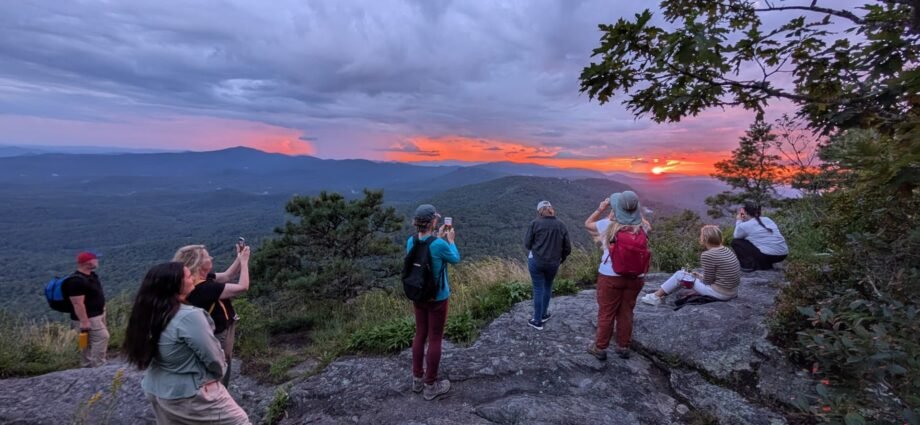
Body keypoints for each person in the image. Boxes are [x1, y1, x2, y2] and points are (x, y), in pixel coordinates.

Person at [124, 262, 250, 425]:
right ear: (177, 285)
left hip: (157, 390)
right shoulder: (189, 316)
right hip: (189, 394)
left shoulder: (149, 313)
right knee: (240, 421)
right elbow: (213, 357)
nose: (193, 279)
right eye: (189, 276)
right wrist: (217, 376)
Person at [583, 191, 649, 360]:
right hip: (636, 277)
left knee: (606, 312)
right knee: (626, 312)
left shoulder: (608, 225)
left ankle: (600, 348)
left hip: (610, 276)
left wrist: (601, 208)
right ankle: (623, 346)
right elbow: (642, 221)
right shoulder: (644, 226)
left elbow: (588, 224)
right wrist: (632, 212)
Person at [173, 243, 250, 387]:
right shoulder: (202, 288)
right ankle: (220, 395)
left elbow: (227, 275)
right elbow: (243, 286)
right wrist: (245, 263)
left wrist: (239, 258)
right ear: (199, 263)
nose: (211, 258)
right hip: (219, 332)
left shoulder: (200, 279)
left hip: (224, 326)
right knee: (222, 364)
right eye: (208, 257)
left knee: (222, 362)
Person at [408, 204, 461, 400]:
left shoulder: (411, 241)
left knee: (420, 334)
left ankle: (417, 379)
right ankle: (430, 385)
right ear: (433, 221)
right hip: (437, 297)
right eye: (435, 219)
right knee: (435, 338)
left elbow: (427, 252)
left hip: (418, 295)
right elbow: (455, 259)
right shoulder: (439, 245)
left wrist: (437, 237)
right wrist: (451, 241)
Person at [641, 225, 741, 306]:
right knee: (688, 277)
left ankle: (655, 297)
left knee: (680, 275)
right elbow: (719, 275)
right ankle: (662, 295)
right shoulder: (726, 249)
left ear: (705, 239)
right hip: (732, 292)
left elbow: (708, 281)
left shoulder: (708, 254)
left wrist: (695, 280)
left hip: (720, 294)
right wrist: (699, 276)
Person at [524, 200, 572, 330]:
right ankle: (544, 314)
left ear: (540, 211)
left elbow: (527, 244)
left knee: (538, 289)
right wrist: (560, 258)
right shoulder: (561, 225)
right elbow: (567, 248)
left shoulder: (535, 223)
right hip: (553, 263)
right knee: (548, 286)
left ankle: (537, 320)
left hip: (536, 261)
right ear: (551, 209)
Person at [62, 251, 109, 368]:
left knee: (85, 341)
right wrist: (84, 321)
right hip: (89, 317)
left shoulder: (91, 275)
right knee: (102, 337)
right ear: (87, 263)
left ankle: (86, 365)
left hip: (97, 314)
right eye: (95, 259)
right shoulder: (76, 281)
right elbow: (77, 303)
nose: (97, 261)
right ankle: (99, 366)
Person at [730, 203, 789, 271]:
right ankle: (766, 264)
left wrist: (739, 220)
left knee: (736, 242)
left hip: (769, 255)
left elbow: (736, 236)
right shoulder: (767, 219)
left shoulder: (745, 226)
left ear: (745, 213)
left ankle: (747, 265)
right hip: (783, 254)